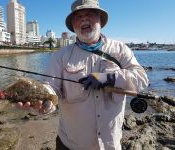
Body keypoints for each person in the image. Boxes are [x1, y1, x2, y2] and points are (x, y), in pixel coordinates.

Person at [17, 0, 149, 149]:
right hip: (70, 144)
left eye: (90, 14)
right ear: (73, 24)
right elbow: (51, 89)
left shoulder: (120, 49)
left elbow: (142, 79)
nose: (84, 19)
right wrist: (42, 105)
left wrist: (110, 78)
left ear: (100, 19)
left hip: (110, 144)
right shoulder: (60, 56)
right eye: (78, 16)